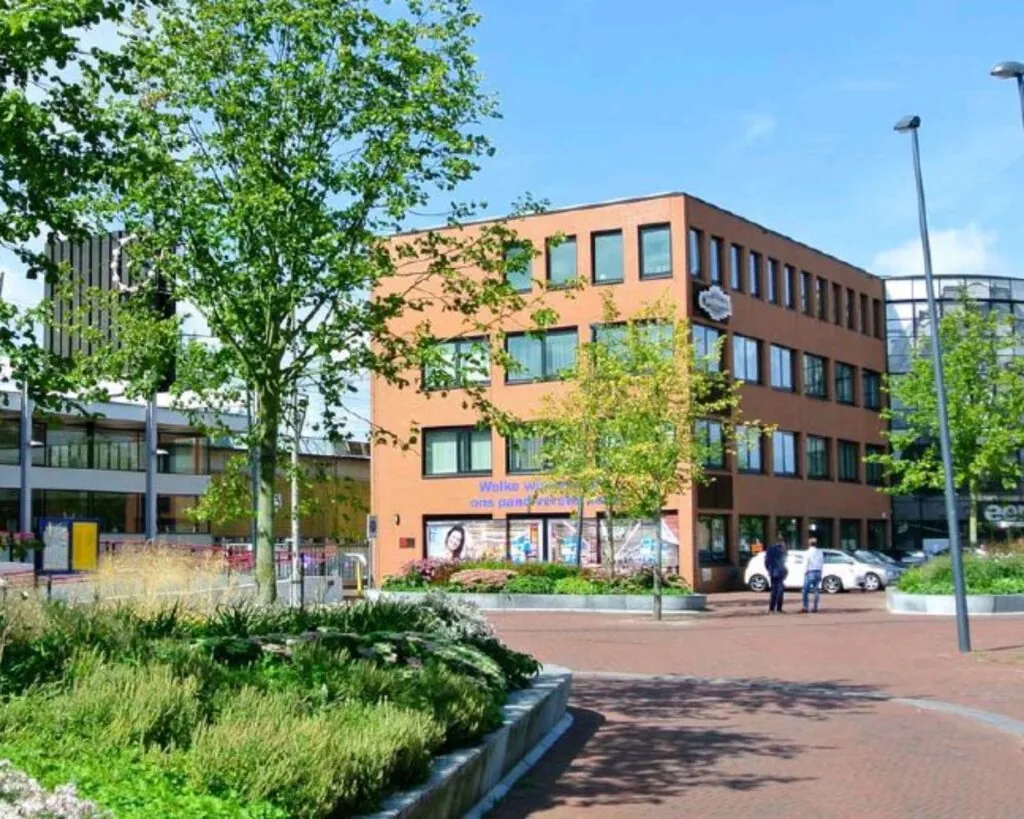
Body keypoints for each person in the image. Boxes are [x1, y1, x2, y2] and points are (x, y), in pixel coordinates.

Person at [764, 539, 788, 613]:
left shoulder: (770, 549)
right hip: (780, 572)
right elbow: (783, 562)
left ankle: (771, 608)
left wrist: (769, 569)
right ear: (782, 543)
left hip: (772, 572)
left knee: (773, 590)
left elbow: (766, 562)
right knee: (780, 591)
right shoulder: (782, 551)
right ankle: (778, 608)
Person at [802, 537, 824, 613]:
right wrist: (821, 572)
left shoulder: (807, 552)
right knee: (816, 590)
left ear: (809, 544)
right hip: (818, 571)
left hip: (810, 571)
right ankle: (815, 607)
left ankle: (805, 606)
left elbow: (806, 563)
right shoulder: (820, 552)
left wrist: (805, 571)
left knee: (805, 590)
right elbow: (821, 563)